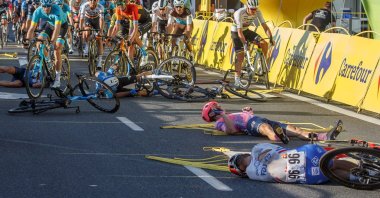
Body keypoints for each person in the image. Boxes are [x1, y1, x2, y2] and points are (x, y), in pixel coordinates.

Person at [201, 101, 343, 143]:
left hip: (255, 119)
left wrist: (247, 112)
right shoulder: (219, 123)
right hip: (250, 125)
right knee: (266, 128)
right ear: (213, 113)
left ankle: (324, 137)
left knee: (295, 129)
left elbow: (243, 118)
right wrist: (223, 116)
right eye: (217, 107)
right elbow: (231, 130)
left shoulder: (230, 115)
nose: (220, 106)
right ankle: (277, 140)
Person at [228, 143, 357, 184]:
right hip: (304, 171)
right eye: (238, 163)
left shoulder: (255, 149)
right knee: (331, 166)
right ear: (242, 170)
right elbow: (270, 154)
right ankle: (361, 174)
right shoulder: (251, 172)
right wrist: (264, 158)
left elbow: (272, 151)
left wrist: (265, 158)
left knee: (331, 168)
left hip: (303, 158)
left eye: (238, 159)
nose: (240, 161)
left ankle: (359, 175)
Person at [231, 0, 274, 87]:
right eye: (252, 9)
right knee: (240, 56)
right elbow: (239, 33)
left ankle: (261, 64)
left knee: (263, 43)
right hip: (236, 32)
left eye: (255, 9)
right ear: (247, 7)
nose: (254, 11)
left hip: (246, 31)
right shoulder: (239, 13)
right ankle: (237, 79)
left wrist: (271, 38)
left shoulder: (258, 12)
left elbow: (265, 27)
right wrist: (245, 44)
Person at [27, 0, 67, 88]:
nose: (46, 8)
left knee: (57, 49)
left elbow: (57, 29)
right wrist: (27, 39)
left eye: (48, 6)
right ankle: (48, 60)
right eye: (44, 6)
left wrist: (52, 43)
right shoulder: (38, 11)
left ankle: (57, 79)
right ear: (41, 5)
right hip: (49, 25)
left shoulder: (57, 10)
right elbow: (32, 28)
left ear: (52, 5)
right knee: (39, 40)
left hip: (61, 26)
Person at [79, 0, 104, 69]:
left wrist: (101, 31)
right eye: (91, 0)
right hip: (88, 19)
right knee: (87, 32)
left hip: (96, 20)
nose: (93, 1)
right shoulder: (85, 6)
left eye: (95, 0)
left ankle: (100, 60)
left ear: (97, 1)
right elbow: (81, 19)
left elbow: (101, 20)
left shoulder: (100, 7)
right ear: (88, 1)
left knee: (99, 39)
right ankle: (87, 46)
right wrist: (81, 29)